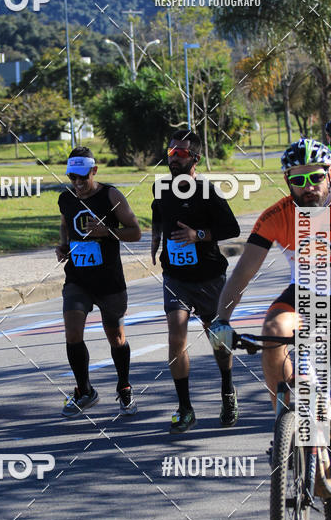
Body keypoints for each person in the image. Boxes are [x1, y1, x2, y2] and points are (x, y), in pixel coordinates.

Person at [210, 138, 331, 520]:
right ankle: (288, 423)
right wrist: (221, 319)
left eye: (315, 177)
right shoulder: (276, 215)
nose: (308, 186)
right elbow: (243, 273)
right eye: (298, 179)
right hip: (305, 296)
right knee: (273, 330)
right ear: (287, 181)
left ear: (330, 175)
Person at [151, 130, 241, 433]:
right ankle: (185, 408)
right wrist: (155, 240)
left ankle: (227, 390)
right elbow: (157, 213)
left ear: (195, 158)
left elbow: (232, 228)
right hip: (175, 277)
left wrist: (197, 235)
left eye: (180, 153)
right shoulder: (160, 187)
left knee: (217, 339)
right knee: (176, 338)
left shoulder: (206, 191)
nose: (173, 158)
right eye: (170, 152)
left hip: (209, 277)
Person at [56, 146, 141, 418]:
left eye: (83, 177)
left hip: (109, 280)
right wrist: (63, 245)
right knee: (72, 333)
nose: (78, 183)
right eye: (72, 178)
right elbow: (65, 225)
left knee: (116, 337)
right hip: (77, 278)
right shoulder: (66, 198)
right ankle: (85, 390)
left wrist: (107, 232)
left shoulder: (111, 195)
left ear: (94, 170)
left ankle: (124, 386)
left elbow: (136, 232)